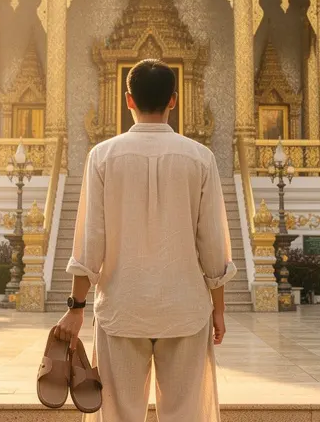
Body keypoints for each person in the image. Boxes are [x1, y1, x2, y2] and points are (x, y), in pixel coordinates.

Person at [53, 58, 236, 422]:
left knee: (117, 415)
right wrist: (218, 308)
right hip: (184, 309)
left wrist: (76, 308)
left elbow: (91, 242)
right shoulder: (200, 158)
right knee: (186, 415)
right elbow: (213, 245)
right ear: (173, 100)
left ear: (129, 101)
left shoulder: (102, 157)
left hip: (122, 307)